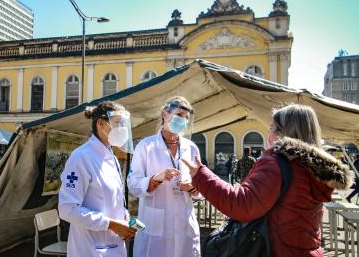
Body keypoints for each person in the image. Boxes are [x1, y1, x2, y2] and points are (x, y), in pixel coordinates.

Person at [182, 104, 352, 257]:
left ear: (283, 133)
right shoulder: (314, 169)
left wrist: (201, 175)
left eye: (272, 128)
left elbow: (242, 204)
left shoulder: (277, 163)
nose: (268, 133)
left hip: (275, 249)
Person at [58, 101, 136, 257]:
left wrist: (123, 214)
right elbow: (67, 209)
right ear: (101, 123)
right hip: (89, 249)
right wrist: (110, 224)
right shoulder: (81, 157)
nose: (122, 129)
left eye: (123, 123)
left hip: (114, 246)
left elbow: (110, 198)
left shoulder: (111, 157)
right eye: (118, 123)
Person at [127, 96, 201, 257]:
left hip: (184, 226)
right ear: (165, 114)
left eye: (186, 118)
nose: (183, 120)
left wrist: (194, 188)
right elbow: (132, 185)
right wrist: (155, 179)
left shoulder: (191, 148)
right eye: (179, 114)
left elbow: (201, 186)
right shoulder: (145, 146)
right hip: (154, 228)